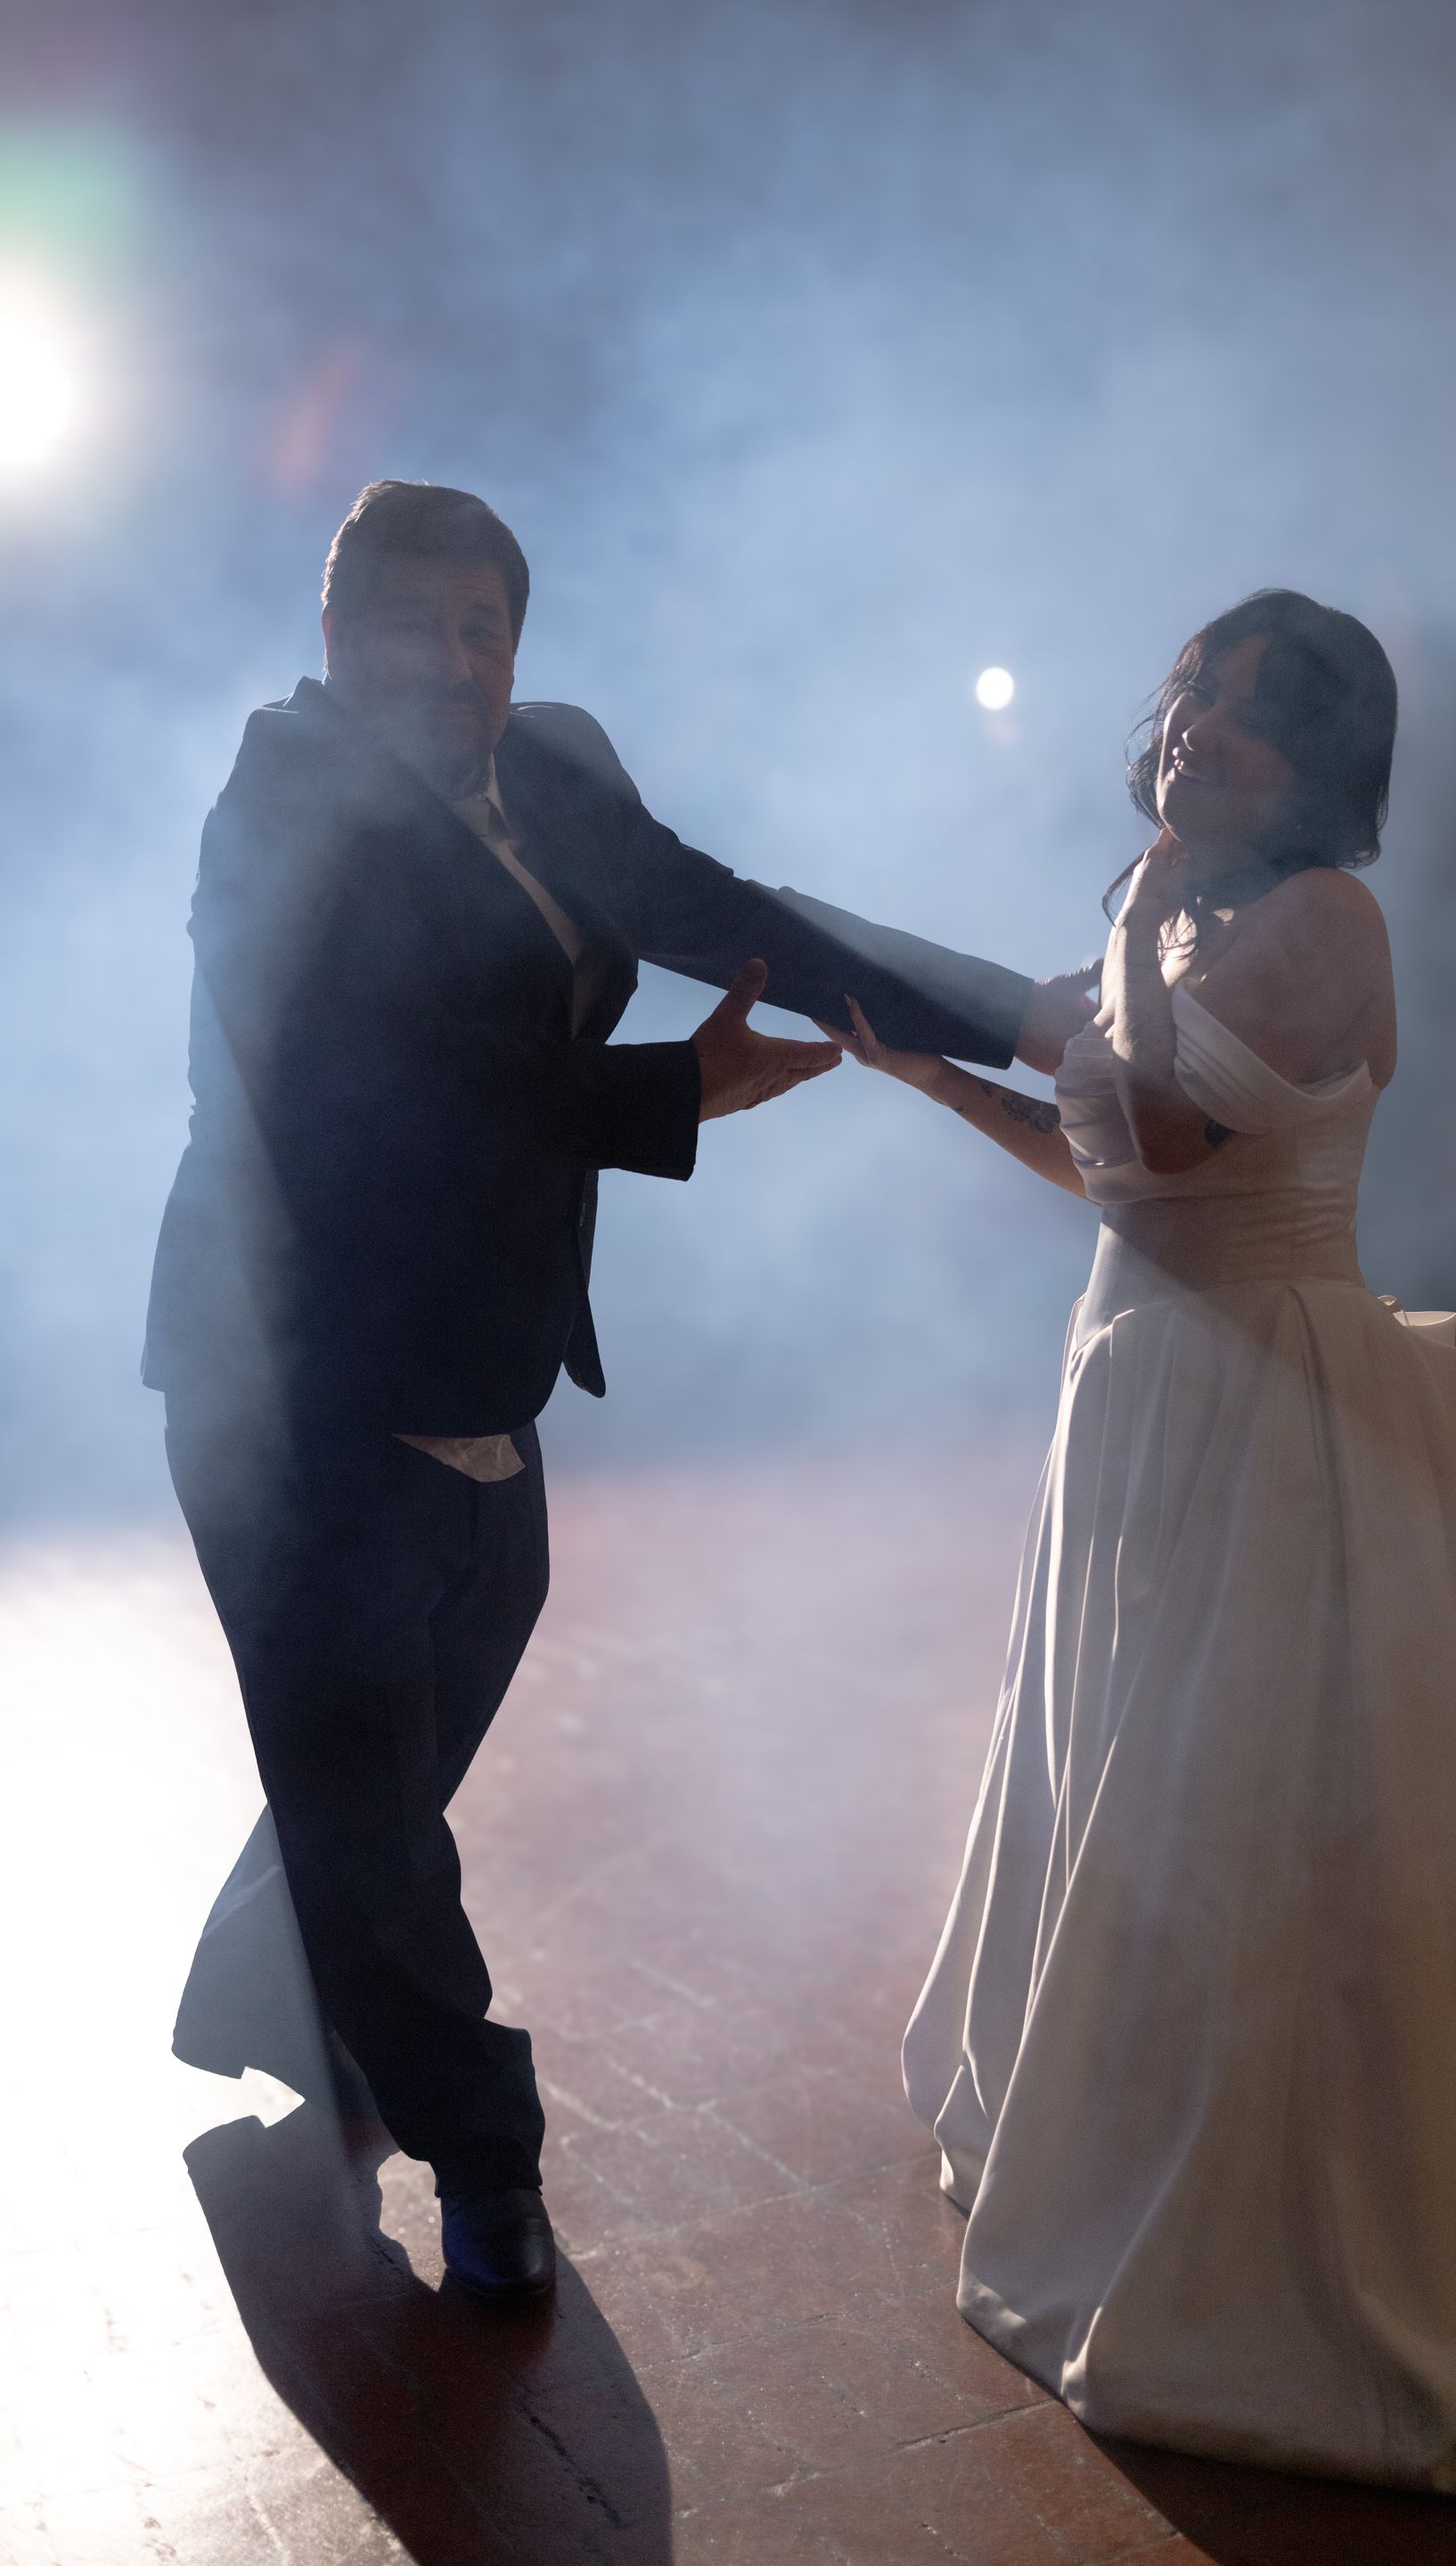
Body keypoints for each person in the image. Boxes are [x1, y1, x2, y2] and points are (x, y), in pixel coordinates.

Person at [146, 479, 1096, 2306]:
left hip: (487, 1345)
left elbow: (738, 915)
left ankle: (272, 1985)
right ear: (333, 641)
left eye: (482, 629)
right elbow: (373, 1101)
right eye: (409, 628)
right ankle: (487, 2160)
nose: (450, 664)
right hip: (292, 1380)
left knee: (394, 1750)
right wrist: (673, 1097)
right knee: (367, 1795)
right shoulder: (275, 810)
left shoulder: (554, 769)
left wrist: (1014, 1018)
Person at [822, 588, 1456, 2496]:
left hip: (1271, 1398)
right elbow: (1092, 1169)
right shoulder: (1181, 913)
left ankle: (1292, 2235)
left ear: (1324, 766)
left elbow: (1160, 1126)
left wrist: (1122, 934)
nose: (1197, 737)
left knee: (1259, 1809)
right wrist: (923, 1068)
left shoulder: (1320, 922)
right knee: (1124, 1777)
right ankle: (1121, 2130)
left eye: (1249, 718)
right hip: (1133, 1375)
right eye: (1187, 698)